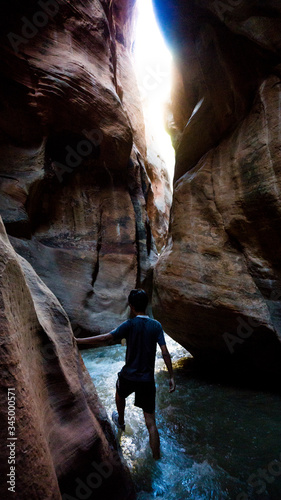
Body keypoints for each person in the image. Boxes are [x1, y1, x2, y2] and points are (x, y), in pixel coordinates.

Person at [75, 289, 175, 460]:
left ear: (131, 306)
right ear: (146, 304)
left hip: (129, 376)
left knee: (120, 393)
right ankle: (157, 458)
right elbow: (165, 352)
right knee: (151, 422)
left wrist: (78, 341)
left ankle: (120, 420)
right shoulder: (156, 326)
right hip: (147, 380)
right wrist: (172, 376)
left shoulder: (129, 325)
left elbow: (106, 338)